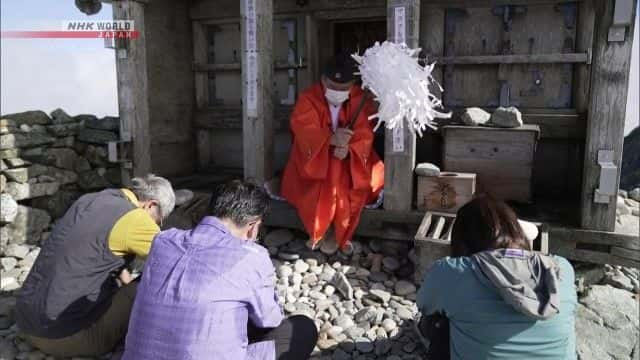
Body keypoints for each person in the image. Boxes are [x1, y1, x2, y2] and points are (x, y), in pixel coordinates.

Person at [122, 180, 318, 360]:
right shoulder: (251, 255)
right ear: (252, 226)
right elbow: (269, 319)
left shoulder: (163, 240)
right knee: (302, 329)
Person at [14, 174, 176, 358]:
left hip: (26, 323)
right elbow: (177, 262)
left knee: (119, 284)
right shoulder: (135, 219)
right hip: (62, 336)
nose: (156, 226)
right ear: (151, 205)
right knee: (147, 285)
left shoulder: (91, 199)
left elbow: (98, 253)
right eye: (159, 221)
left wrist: (124, 279)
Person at [416, 196, 577, 359]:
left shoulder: (452, 272)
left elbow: (424, 305)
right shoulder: (561, 269)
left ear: (462, 241)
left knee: (439, 321)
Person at [281, 54, 384, 253]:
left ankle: (338, 231)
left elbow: (364, 134)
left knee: (346, 175)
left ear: (353, 84)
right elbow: (303, 129)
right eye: (332, 86)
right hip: (314, 160)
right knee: (328, 175)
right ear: (323, 80)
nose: (337, 91)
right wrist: (329, 139)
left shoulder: (360, 99)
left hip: (349, 162)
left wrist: (350, 150)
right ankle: (321, 229)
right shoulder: (308, 98)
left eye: (343, 88)